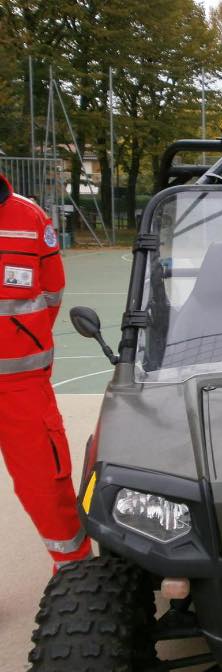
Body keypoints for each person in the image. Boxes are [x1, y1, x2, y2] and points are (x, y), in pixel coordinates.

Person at [0, 172, 92, 570]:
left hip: (21, 383)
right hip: (22, 375)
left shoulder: (29, 219)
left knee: (46, 481)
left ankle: (74, 569)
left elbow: (52, 292)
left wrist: (25, 340)